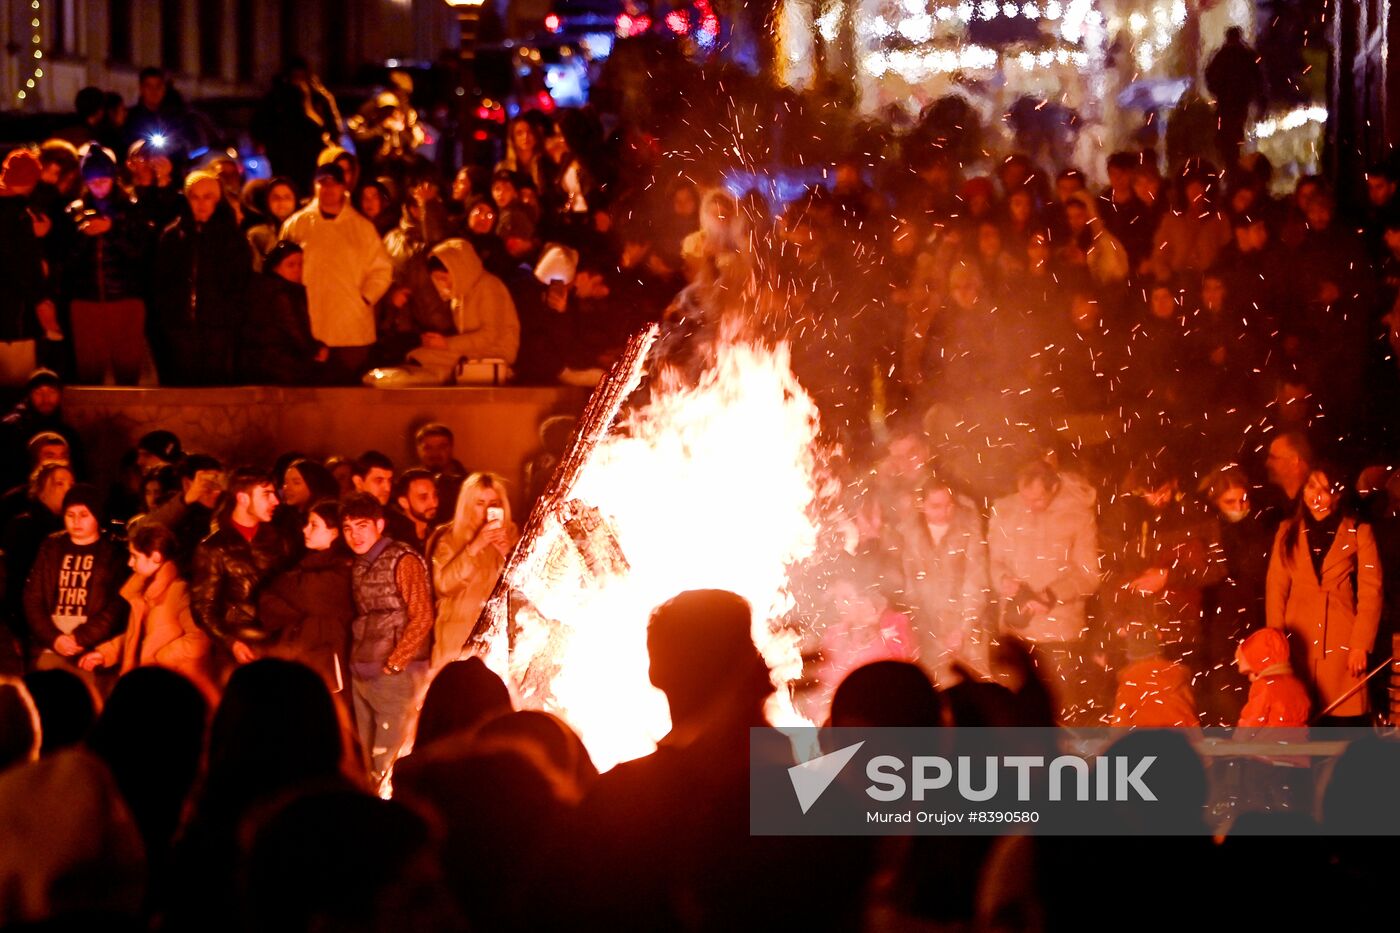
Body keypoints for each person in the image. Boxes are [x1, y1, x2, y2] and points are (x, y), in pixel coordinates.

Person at [1265, 464, 1383, 724]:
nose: (1315, 495)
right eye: (1310, 486)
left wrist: (1360, 644)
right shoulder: (1287, 531)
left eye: (1325, 489)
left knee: (1342, 720)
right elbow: (1276, 588)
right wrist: (1274, 646)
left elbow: (1371, 590)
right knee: (1299, 717)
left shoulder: (1359, 530)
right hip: (1297, 640)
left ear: (1338, 495)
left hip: (1341, 641)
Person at [987, 460, 1101, 723]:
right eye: (1025, 497)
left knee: (1061, 710)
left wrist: (1052, 595)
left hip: (1059, 632)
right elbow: (994, 562)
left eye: (1037, 499)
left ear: (1053, 489)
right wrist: (1003, 579)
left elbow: (1089, 575)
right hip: (1016, 632)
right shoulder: (1005, 510)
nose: (1029, 506)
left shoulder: (1078, 515)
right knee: (1014, 714)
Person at [342, 493, 434, 787]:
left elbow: (422, 615)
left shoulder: (403, 559)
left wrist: (395, 664)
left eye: (362, 526)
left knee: (389, 760)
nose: (354, 535)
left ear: (379, 524)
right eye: (347, 528)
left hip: (396, 675)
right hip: (363, 672)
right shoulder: (359, 564)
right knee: (370, 762)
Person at [280, 163, 394, 383]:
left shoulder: (362, 228)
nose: (328, 189)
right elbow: (281, 270)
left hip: (352, 329)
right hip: (309, 328)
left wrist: (365, 297)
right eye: (323, 183)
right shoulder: (297, 224)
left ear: (344, 187)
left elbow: (381, 269)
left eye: (334, 183)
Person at [78, 520, 215, 697]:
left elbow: (200, 638)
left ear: (156, 557)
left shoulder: (180, 590)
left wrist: (162, 658)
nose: (129, 563)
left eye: (135, 556)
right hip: (149, 682)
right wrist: (106, 653)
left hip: (175, 687)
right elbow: (140, 635)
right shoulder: (143, 591)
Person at [150, 170, 252, 385]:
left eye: (208, 197)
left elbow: (241, 286)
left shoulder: (233, 239)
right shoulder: (173, 237)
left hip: (219, 331)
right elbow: (162, 283)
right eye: (194, 197)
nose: (201, 204)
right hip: (179, 330)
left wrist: (227, 318)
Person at [64, 144, 153, 385]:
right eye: (93, 182)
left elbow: (141, 253)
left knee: (127, 366)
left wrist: (111, 230)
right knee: (89, 368)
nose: (99, 187)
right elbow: (67, 260)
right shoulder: (75, 211)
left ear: (113, 178)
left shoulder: (131, 209)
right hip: (86, 300)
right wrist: (85, 236)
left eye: (103, 180)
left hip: (125, 298)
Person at [190, 469, 292, 672]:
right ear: (243, 499)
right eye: (266, 494)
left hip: (276, 644)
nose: (275, 501)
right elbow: (203, 606)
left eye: (274, 494)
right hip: (237, 649)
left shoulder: (279, 542)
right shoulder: (214, 548)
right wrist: (231, 642)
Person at [23, 484, 128, 678]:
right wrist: (53, 638)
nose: (76, 521)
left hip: (91, 649)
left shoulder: (113, 552)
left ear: (97, 516)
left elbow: (116, 605)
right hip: (50, 646)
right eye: (70, 515)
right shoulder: (51, 547)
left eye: (84, 515)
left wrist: (81, 637)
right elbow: (33, 598)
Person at [258, 499, 355, 698]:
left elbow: (305, 595)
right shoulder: (305, 565)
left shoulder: (343, 570)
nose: (305, 530)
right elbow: (266, 601)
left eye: (314, 525)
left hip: (326, 666)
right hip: (301, 660)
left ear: (334, 532)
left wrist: (283, 593)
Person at [894, 478, 989, 677]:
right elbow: (910, 586)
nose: (945, 512)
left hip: (966, 631)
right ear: (922, 505)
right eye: (936, 506)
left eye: (949, 505)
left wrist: (964, 629)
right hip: (927, 633)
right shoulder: (910, 534)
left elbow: (976, 581)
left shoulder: (968, 528)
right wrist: (920, 629)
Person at [399, 239, 520, 385]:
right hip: (473, 350)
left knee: (423, 357)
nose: (443, 284)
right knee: (419, 355)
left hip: (496, 352)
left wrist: (446, 344)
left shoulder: (489, 287)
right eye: (438, 280)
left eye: (444, 278)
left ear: (458, 270)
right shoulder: (460, 295)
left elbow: (491, 334)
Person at [427, 473, 516, 670]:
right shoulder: (448, 538)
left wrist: (507, 554)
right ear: (467, 505)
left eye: (493, 502)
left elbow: (523, 589)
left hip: (497, 643)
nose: (487, 510)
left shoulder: (511, 535)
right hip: (456, 644)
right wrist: (475, 547)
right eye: (480, 503)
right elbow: (443, 586)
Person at [242, 240, 329, 384]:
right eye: (290, 265)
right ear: (276, 267)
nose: (297, 270)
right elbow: (292, 326)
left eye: (300, 265)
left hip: (273, 361)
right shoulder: (281, 292)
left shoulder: (279, 289)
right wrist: (314, 349)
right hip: (280, 363)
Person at [0, 148, 52, 388]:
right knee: (17, 385)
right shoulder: (17, 215)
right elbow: (23, 265)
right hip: (14, 320)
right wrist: (37, 238)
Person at [1204, 27, 1264, 168]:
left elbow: (1210, 76)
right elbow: (1258, 79)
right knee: (1235, 133)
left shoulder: (1221, 55)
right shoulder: (1246, 55)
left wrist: (1218, 93)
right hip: (1239, 102)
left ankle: (1230, 163)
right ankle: (1234, 162)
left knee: (1226, 136)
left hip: (1226, 103)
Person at [1234, 627, 1311, 728]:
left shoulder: (1264, 684)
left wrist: (1238, 739)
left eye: (1252, 672)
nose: (1250, 678)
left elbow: (1253, 718)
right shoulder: (1296, 683)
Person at [388, 468, 439, 554]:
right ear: (404, 502)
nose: (434, 503)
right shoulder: (396, 542)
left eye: (435, 495)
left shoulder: (437, 535)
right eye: (423, 498)